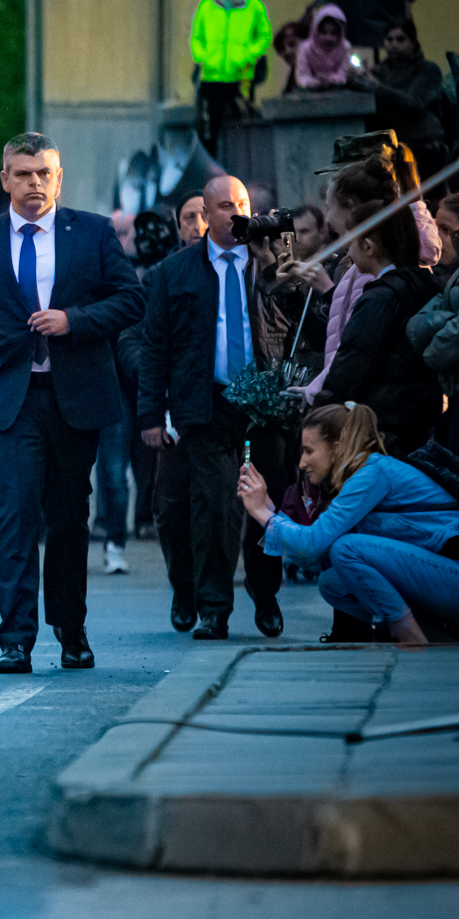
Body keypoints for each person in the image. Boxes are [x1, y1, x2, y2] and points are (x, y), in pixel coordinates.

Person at [0, 132, 145, 675]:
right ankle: (15, 639)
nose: (34, 183)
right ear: (5, 179)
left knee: (69, 517)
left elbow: (131, 299)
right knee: (14, 515)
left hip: (74, 396)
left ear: (58, 179)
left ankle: (70, 629)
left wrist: (73, 320)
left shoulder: (93, 233)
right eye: (23, 174)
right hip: (8, 401)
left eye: (43, 174)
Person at [135, 175, 312, 640]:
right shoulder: (175, 272)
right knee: (212, 507)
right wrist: (151, 414)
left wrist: (281, 260)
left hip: (265, 406)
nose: (236, 214)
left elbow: (307, 322)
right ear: (206, 214)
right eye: (225, 206)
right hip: (208, 403)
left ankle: (266, 595)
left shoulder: (271, 263)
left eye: (242, 204)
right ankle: (213, 607)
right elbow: (154, 347)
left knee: (266, 503)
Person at [238, 403, 459, 645]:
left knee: (346, 548)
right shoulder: (356, 476)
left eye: (309, 451)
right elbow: (313, 557)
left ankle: (410, 636)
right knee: (332, 583)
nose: (302, 463)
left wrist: (264, 514)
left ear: (336, 447)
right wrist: (271, 511)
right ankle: (436, 639)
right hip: (443, 577)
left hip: (455, 576)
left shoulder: (371, 473)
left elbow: (311, 545)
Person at [317, 197, 442, 452]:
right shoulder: (424, 285)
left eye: (351, 240)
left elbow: (351, 365)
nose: (348, 251)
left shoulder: (380, 298)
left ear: (368, 246)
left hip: (384, 429)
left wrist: (319, 412)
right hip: (418, 425)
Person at [190, 0, 272, 155]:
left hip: (240, 81)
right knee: (208, 135)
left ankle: (237, 172)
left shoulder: (254, 7)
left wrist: (248, 55)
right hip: (211, 79)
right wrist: (203, 57)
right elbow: (196, 37)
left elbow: (264, 37)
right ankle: (210, 172)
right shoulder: (206, 6)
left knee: (239, 131)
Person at [351, 18, 451, 174]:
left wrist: (377, 88)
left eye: (400, 39)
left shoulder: (428, 70)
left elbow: (415, 103)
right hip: (389, 152)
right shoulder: (380, 72)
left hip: (423, 150)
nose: (394, 44)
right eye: (389, 40)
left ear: (413, 42)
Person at [406, 193, 459, 452]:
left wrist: (432, 351)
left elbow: (450, 343)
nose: (438, 237)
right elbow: (415, 327)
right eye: (436, 226)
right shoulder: (445, 278)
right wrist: (447, 319)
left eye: (447, 229)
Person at [293, 3, 352, 91]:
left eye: (333, 33)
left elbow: (343, 74)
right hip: (310, 94)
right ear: (316, 31)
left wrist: (331, 81)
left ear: (340, 33)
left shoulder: (345, 48)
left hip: (337, 92)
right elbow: (302, 76)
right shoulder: (305, 49)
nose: (328, 38)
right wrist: (314, 83)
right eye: (324, 32)